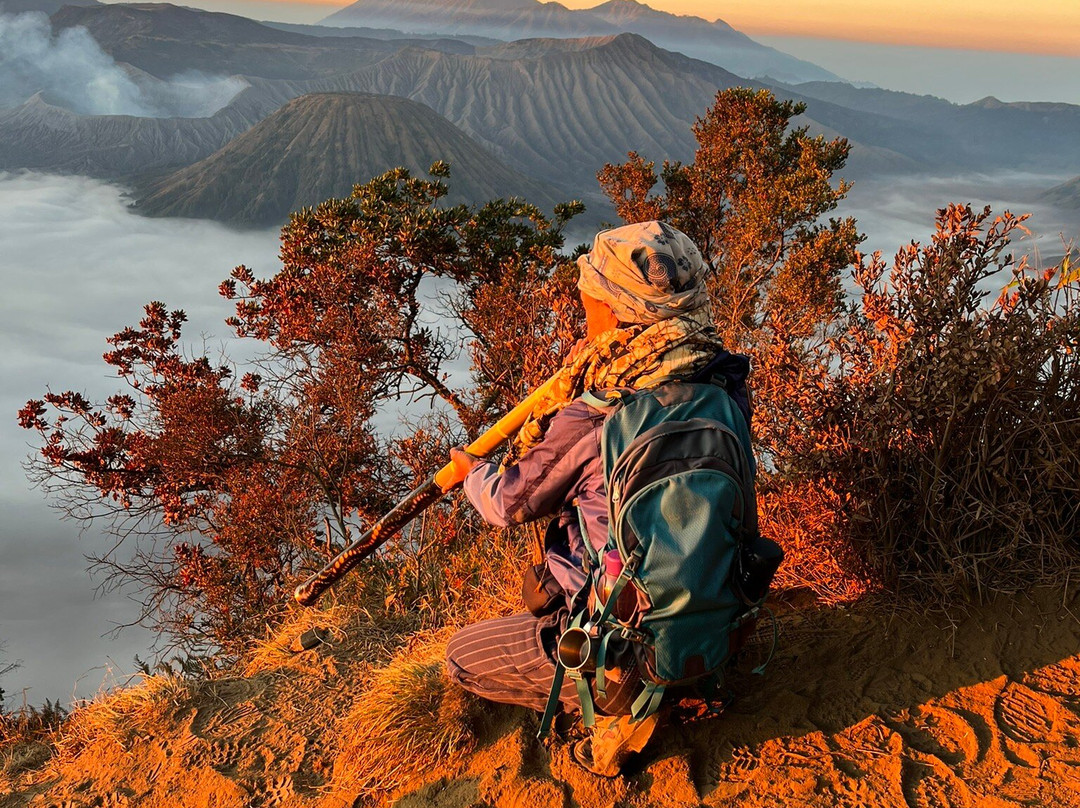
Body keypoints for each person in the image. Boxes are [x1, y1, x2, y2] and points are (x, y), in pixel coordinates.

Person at [441, 220, 733, 776]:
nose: (585, 313)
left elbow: (507, 503)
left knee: (462, 656)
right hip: (716, 622)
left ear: (622, 309)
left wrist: (472, 471)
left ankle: (618, 699)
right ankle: (683, 667)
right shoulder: (720, 381)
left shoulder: (599, 411)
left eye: (592, 298)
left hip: (622, 644)